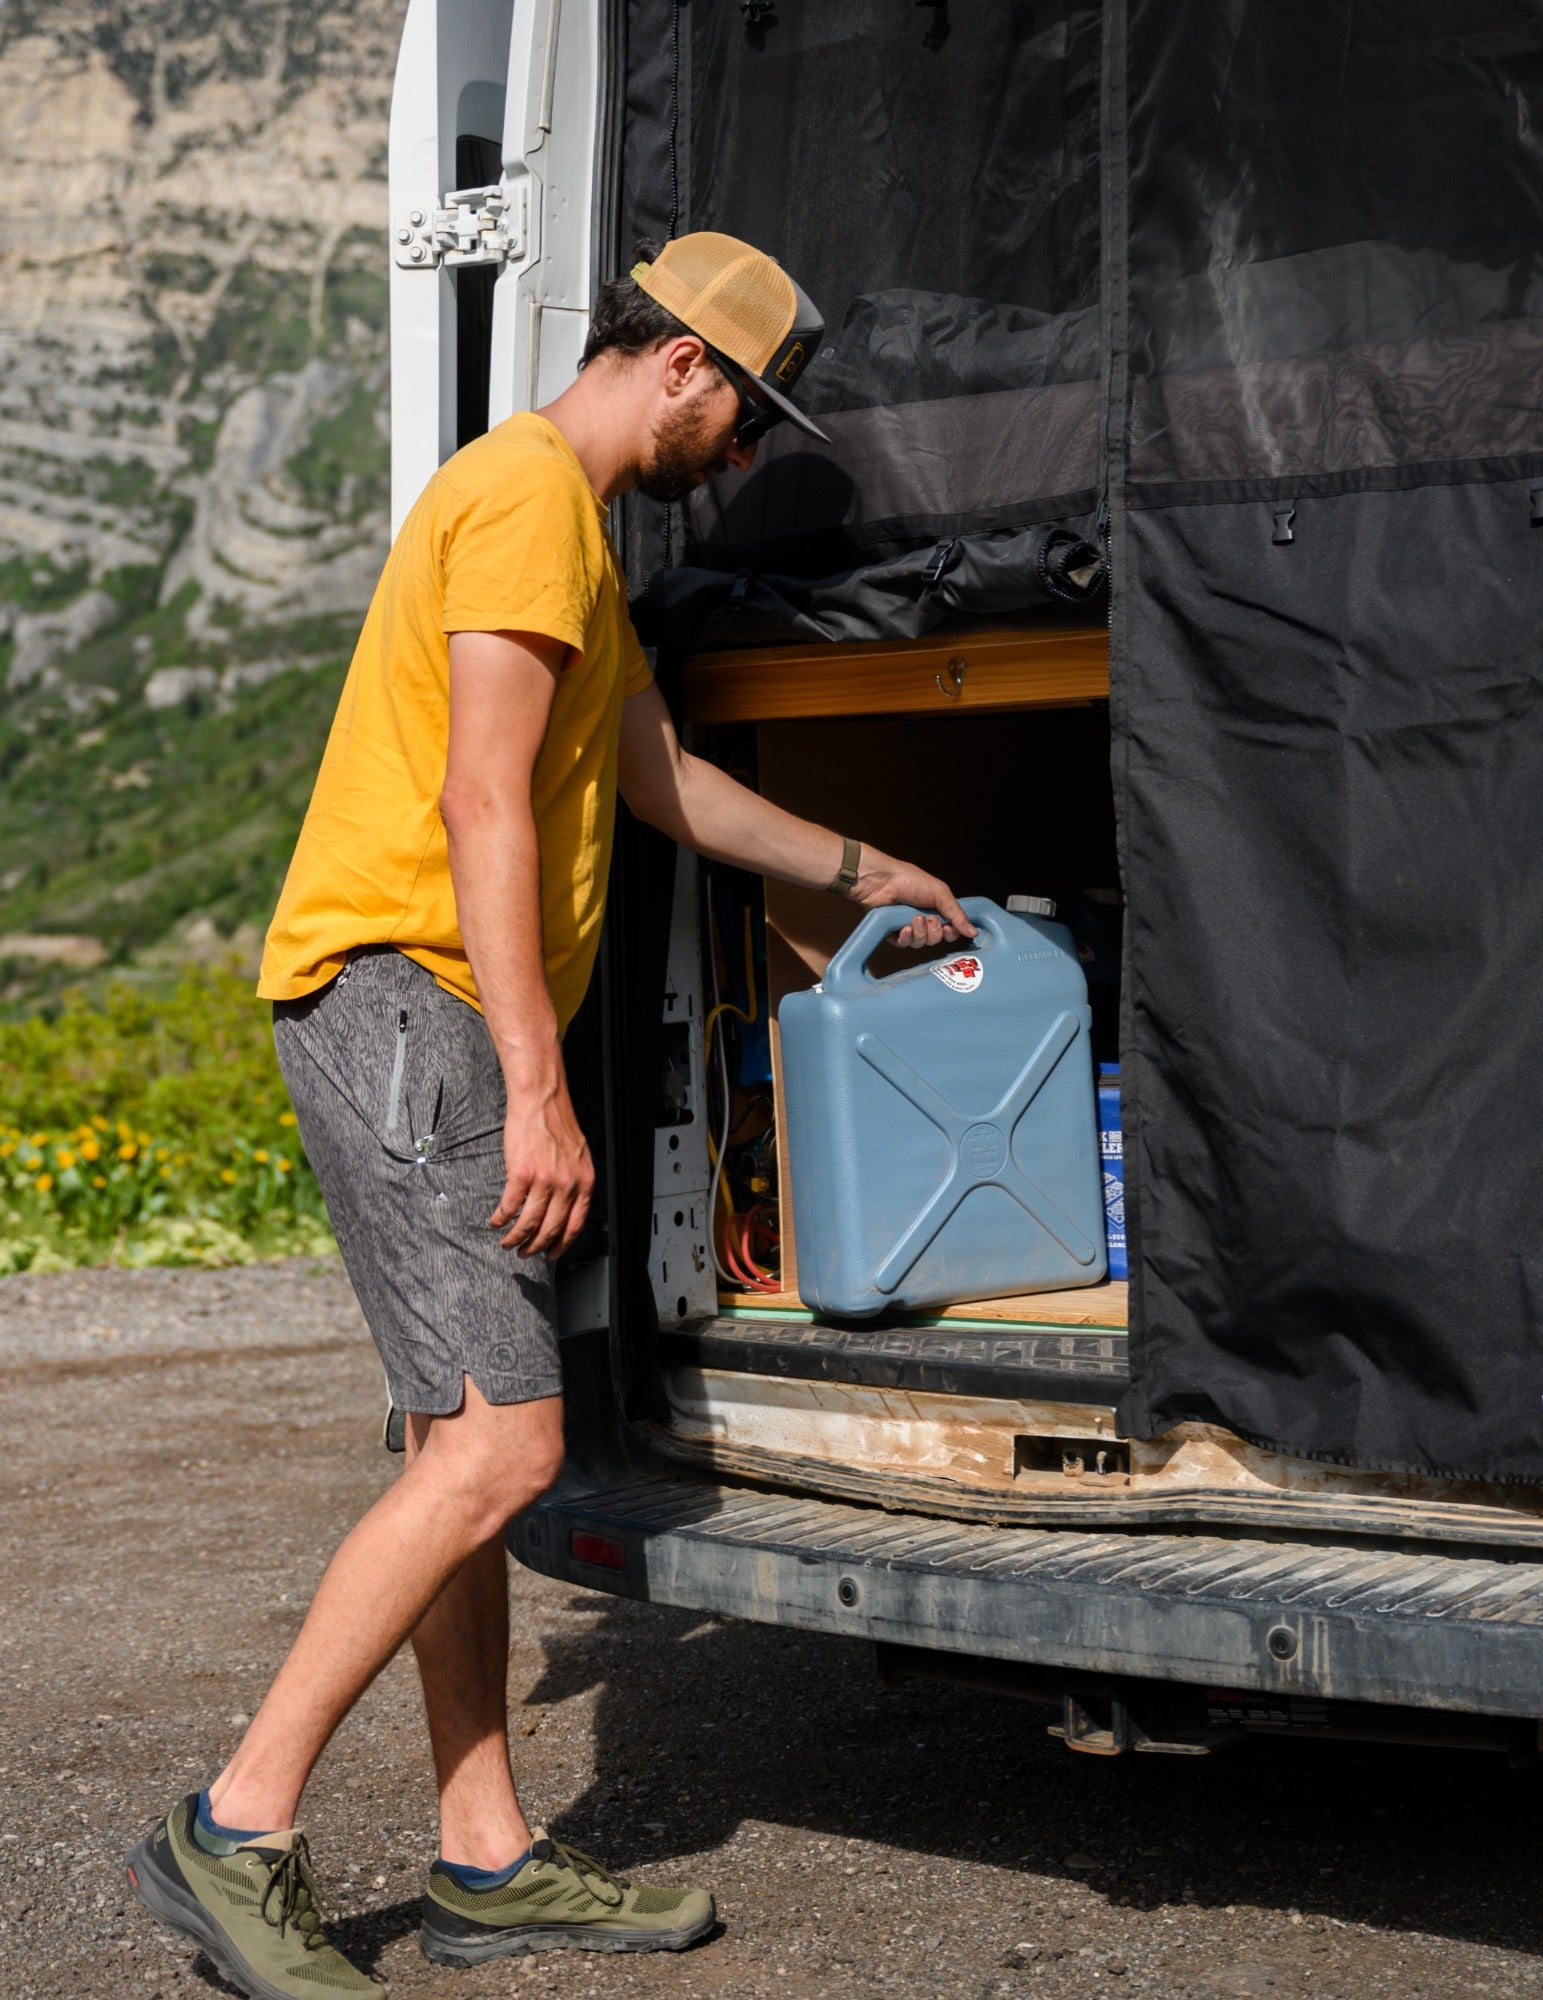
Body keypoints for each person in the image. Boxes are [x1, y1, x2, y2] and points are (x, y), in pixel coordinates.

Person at [125, 232, 972, 2000]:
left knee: (461, 1448)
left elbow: (651, 779)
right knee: (507, 1451)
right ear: (681, 366)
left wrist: (867, 866)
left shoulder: (559, 528)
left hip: (413, 1009)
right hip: (408, 1002)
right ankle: (240, 1824)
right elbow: (484, 802)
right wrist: (533, 1085)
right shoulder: (523, 501)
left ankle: (485, 1853)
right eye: (745, 423)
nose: (738, 462)